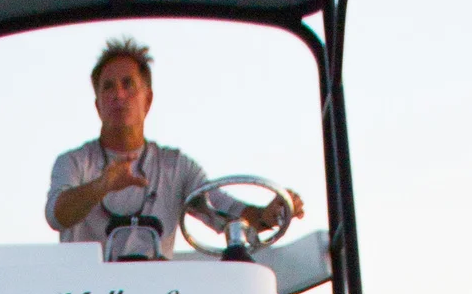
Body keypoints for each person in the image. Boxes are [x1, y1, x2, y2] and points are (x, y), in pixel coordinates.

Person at [45, 38, 301, 264]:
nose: (118, 95)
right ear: (98, 105)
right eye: (108, 87)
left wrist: (266, 216)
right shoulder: (73, 163)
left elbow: (221, 209)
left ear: (148, 100)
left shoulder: (176, 167)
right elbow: (57, 215)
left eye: (128, 84)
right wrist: (102, 185)